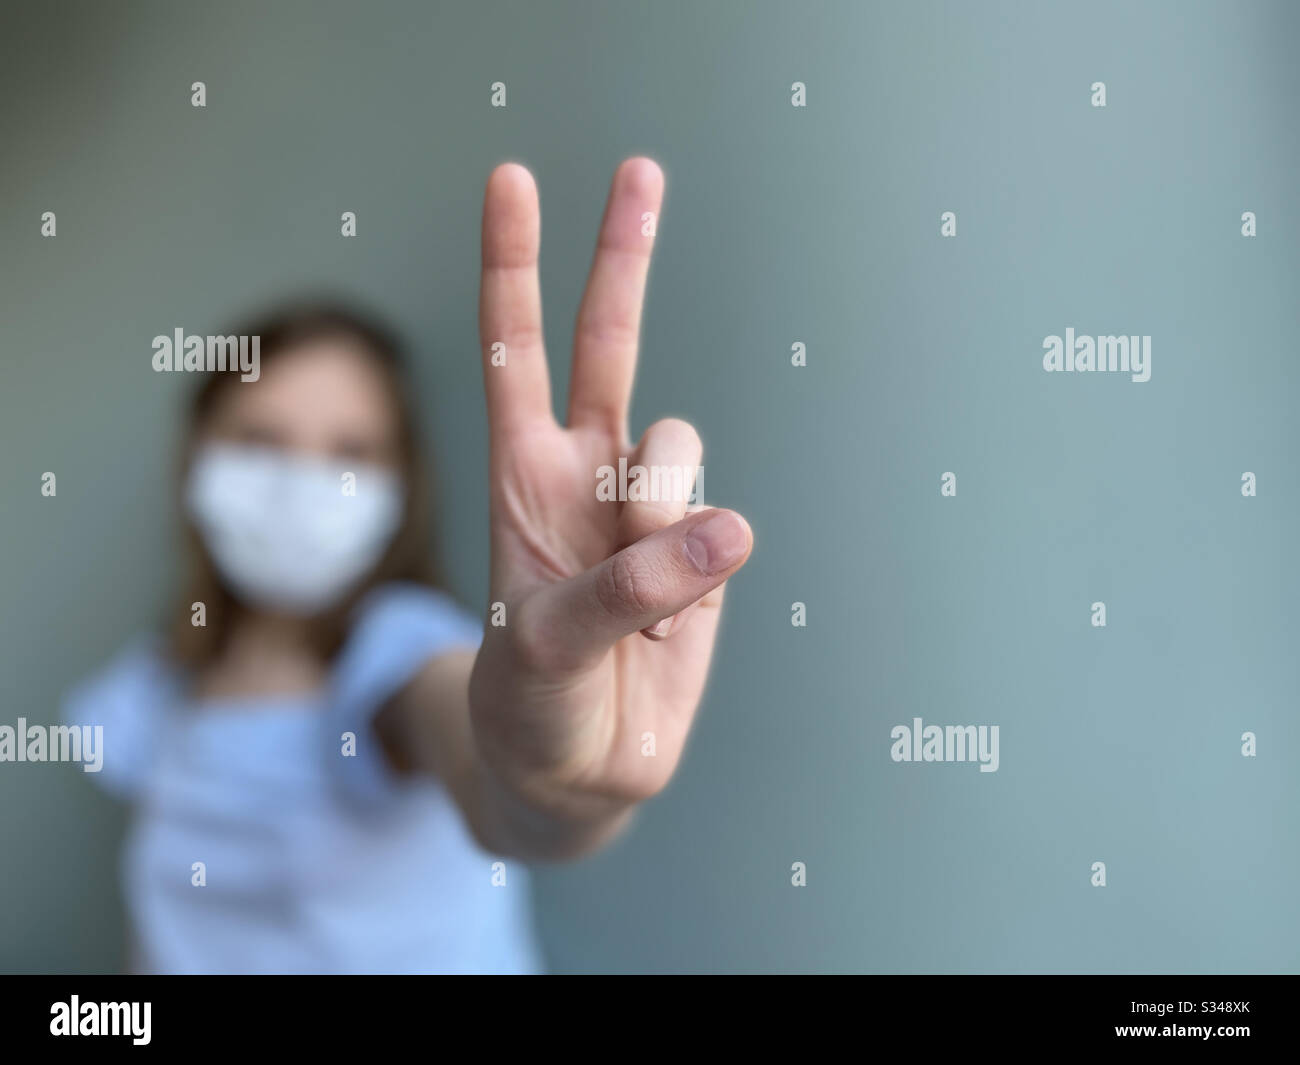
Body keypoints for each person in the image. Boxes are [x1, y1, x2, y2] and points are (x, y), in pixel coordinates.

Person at [62, 157, 755, 974]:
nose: (298, 482)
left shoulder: (396, 657)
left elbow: (492, 773)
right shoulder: (156, 688)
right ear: (195, 459)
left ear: (400, 485)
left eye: (348, 453)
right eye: (259, 440)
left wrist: (555, 788)